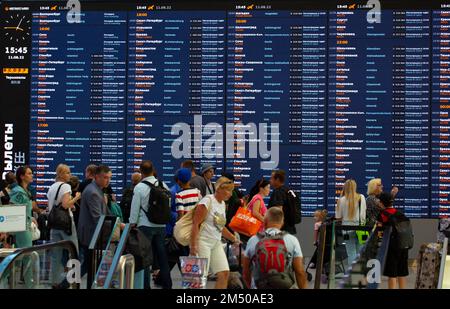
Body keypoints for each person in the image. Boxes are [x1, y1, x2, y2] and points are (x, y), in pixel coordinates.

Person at [189, 176, 239, 289]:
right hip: (202, 242)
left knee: (224, 273)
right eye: (229, 190)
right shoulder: (207, 201)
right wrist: (193, 246)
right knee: (198, 279)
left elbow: (220, 227)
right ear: (219, 189)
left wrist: (233, 238)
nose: (231, 194)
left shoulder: (222, 204)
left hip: (216, 243)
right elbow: (195, 224)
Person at [129, 160, 172, 289]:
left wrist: (132, 223)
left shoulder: (139, 187)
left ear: (141, 172)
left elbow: (135, 208)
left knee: (145, 258)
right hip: (160, 226)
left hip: (144, 226)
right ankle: (167, 284)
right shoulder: (163, 185)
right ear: (153, 170)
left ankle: (145, 285)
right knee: (162, 256)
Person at [242, 207, 307, 289]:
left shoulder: (253, 240)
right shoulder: (292, 240)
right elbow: (299, 271)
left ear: (265, 222)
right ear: (282, 222)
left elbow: (245, 272)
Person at [47, 164, 81, 288]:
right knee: (74, 253)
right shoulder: (66, 186)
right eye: (67, 172)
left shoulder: (52, 187)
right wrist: (76, 197)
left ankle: (55, 282)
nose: (69, 175)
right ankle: (74, 282)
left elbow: (51, 206)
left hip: (54, 224)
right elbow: (66, 205)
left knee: (55, 255)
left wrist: (69, 205)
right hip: (66, 225)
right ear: (60, 174)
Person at [77, 165, 112, 277]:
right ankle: (64, 285)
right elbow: (98, 218)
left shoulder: (96, 189)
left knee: (89, 265)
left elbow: (106, 213)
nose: (108, 181)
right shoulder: (93, 192)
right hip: (91, 234)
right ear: (97, 177)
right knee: (88, 265)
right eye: (105, 177)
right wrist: (116, 225)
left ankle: (64, 284)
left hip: (93, 234)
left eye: (109, 178)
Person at [9, 166, 36, 288]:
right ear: (22, 176)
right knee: (25, 257)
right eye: (29, 173)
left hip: (25, 226)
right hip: (21, 229)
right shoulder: (18, 192)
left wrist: (32, 218)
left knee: (24, 257)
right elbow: (12, 209)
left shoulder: (26, 191)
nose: (32, 175)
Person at [377, 191, 409, 289]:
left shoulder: (382, 214)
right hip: (404, 245)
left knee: (392, 273)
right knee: (402, 272)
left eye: (379, 201)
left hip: (392, 247)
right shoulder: (400, 214)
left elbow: (379, 231)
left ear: (382, 203)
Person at [335, 179, 367, 265]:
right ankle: (359, 274)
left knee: (351, 252)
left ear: (345, 187)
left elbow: (338, 217)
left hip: (346, 229)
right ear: (355, 187)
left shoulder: (341, 200)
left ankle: (352, 275)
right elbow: (363, 215)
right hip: (360, 228)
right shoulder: (362, 197)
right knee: (360, 253)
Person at [268, 170, 296, 234]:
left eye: (271, 178)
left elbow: (279, 210)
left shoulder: (278, 192)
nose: (270, 180)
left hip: (281, 229)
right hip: (290, 228)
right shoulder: (288, 190)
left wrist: (278, 226)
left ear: (277, 179)